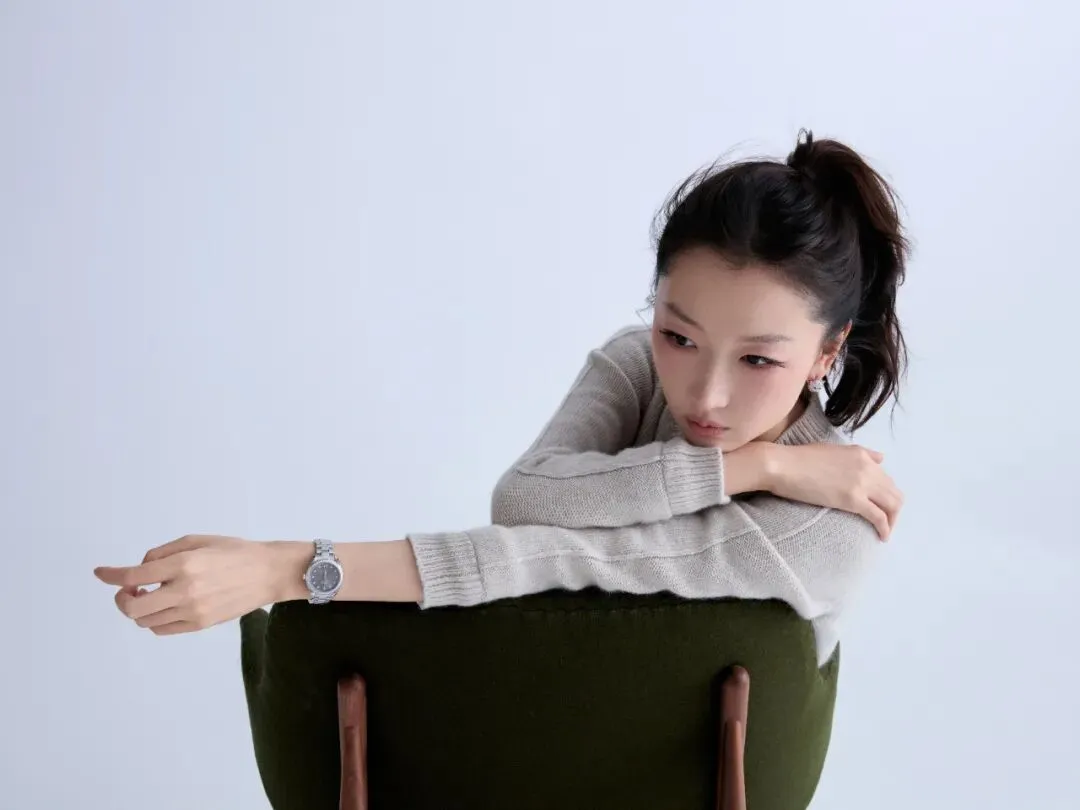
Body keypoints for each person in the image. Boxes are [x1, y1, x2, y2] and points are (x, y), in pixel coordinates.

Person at [95, 130, 907, 666]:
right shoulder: (634, 363)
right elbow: (527, 499)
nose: (706, 393)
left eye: (759, 359)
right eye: (678, 334)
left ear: (826, 351)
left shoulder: (829, 529)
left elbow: (550, 553)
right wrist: (754, 465)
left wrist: (284, 568)